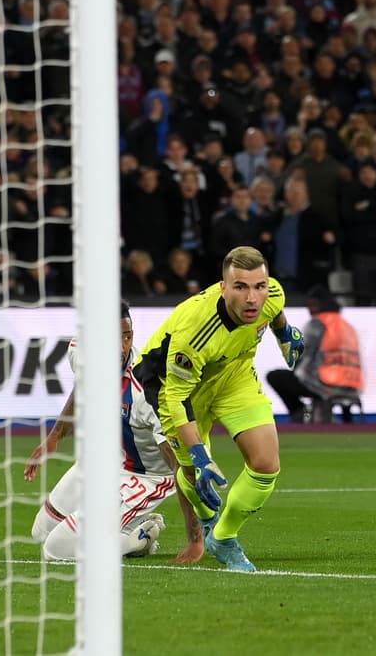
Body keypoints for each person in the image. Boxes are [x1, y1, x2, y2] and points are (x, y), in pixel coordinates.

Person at [133, 245, 304, 572]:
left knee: (266, 464)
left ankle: (224, 538)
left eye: (259, 286)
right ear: (223, 288)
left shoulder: (273, 294)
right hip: (174, 387)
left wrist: (285, 334)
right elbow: (178, 398)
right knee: (193, 472)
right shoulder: (195, 333)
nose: (252, 298)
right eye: (240, 287)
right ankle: (206, 514)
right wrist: (199, 454)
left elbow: (275, 309)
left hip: (234, 374)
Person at [24, 301, 204, 563]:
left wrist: (195, 539)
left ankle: (140, 535)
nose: (121, 348)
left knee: (56, 549)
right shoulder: (79, 350)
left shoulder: (146, 391)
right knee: (41, 531)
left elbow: (179, 463)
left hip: (147, 475)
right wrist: (54, 437)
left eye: (127, 337)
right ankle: (129, 527)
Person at [266, 285, 364, 423]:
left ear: (322, 304)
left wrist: (296, 371)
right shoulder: (348, 326)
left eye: (314, 305)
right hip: (354, 384)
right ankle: (345, 420)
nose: (311, 309)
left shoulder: (317, 323)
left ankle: (301, 413)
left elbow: (304, 354)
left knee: (275, 377)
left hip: (324, 384)